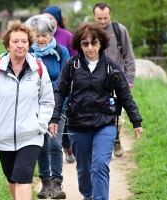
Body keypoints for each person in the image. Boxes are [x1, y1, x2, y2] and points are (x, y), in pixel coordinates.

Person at [48, 22, 143, 200]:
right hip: (78, 124)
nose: (90, 47)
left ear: (101, 43)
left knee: (100, 165)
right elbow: (59, 92)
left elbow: (125, 96)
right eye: (85, 43)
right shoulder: (71, 65)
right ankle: (88, 195)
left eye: (94, 43)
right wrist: (54, 118)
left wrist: (136, 121)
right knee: (84, 168)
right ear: (79, 45)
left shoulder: (111, 67)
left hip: (105, 124)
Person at [0, 20, 55, 200]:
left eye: (24, 41)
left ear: (29, 44)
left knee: (23, 178)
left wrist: (41, 124)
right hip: (1, 135)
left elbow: (47, 100)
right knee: (12, 177)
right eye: (15, 41)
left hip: (30, 134)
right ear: (7, 44)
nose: (20, 45)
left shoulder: (38, 69)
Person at [29, 14, 70, 199]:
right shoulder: (29, 53)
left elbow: (68, 80)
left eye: (44, 35)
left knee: (55, 143)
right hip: (34, 106)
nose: (40, 39)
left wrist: (63, 103)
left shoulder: (61, 52)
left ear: (51, 33)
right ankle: (45, 184)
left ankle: (57, 183)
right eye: (37, 35)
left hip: (57, 105)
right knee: (41, 145)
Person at [93, 2, 136, 157]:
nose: (103, 21)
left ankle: (116, 139)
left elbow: (128, 56)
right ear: (94, 16)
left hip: (117, 80)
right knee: (96, 111)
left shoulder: (119, 30)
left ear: (110, 15)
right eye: (99, 18)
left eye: (105, 18)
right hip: (95, 79)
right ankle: (100, 142)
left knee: (118, 114)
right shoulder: (89, 31)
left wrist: (129, 78)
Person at [43, 5, 77, 163]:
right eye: (45, 17)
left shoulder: (67, 36)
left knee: (66, 116)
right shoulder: (38, 37)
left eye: (51, 18)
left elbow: (74, 56)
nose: (48, 21)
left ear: (57, 19)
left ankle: (67, 145)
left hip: (66, 80)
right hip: (46, 89)